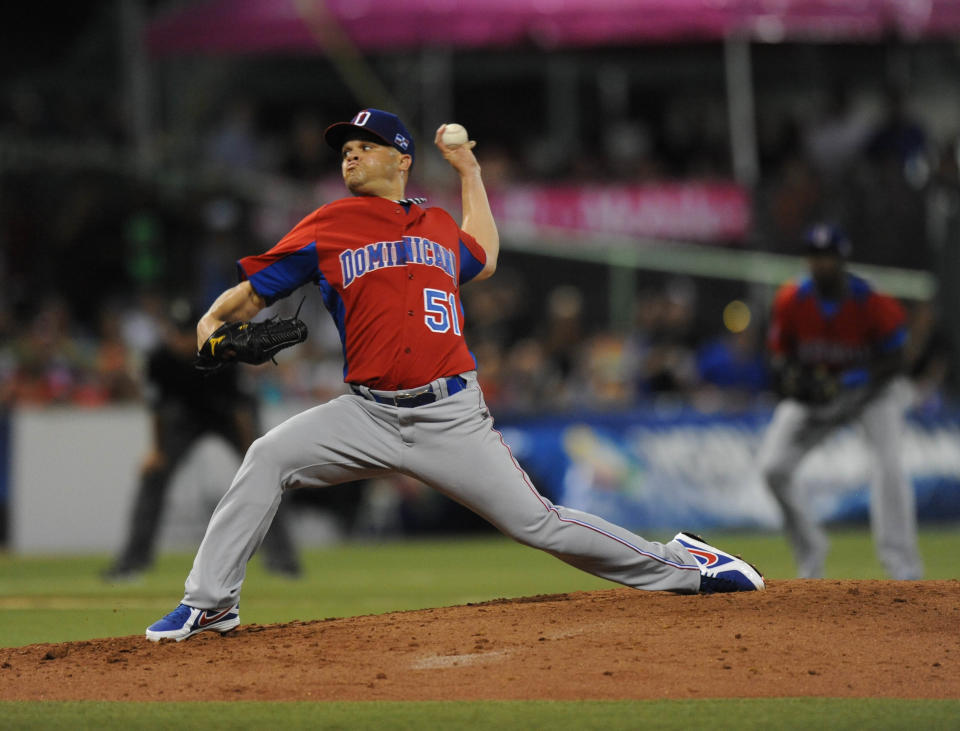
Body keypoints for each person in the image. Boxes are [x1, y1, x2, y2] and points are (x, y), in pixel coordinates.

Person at [145, 109, 764, 642]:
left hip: (451, 415)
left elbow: (486, 256)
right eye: (345, 149)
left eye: (365, 145)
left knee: (539, 523)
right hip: (366, 412)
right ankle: (209, 604)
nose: (350, 154)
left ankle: (688, 565)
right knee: (268, 456)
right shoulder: (328, 225)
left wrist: (469, 170)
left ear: (402, 159)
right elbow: (247, 297)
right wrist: (209, 330)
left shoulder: (439, 224)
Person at [758, 223, 923, 580]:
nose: (820, 264)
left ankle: (903, 569)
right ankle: (811, 547)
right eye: (814, 257)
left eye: (827, 257)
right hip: (818, 397)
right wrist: (798, 383)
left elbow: (898, 357)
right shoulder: (791, 299)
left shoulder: (870, 298)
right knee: (772, 467)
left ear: (842, 259)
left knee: (889, 468)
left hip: (871, 397)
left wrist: (853, 379)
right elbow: (778, 358)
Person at [104, 298, 301, 581]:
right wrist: (157, 452)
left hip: (229, 416)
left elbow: (239, 410)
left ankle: (283, 560)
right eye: (177, 333)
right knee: (153, 477)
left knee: (265, 475)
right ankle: (133, 562)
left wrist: (252, 452)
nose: (182, 340)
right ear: (167, 331)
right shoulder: (159, 359)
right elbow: (159, 410)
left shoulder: (222, 351)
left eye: (188, 332)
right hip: (185, 417)